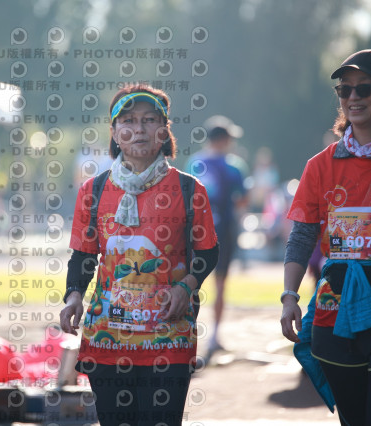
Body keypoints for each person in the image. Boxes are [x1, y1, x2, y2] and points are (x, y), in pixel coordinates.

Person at [59, 84, 219, 426]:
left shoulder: (189, 189)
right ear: (115, 132)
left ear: (164, 130)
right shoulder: (93, 190)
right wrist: (74, 296)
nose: (139, 129)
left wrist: (186, 286)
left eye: (149, 120)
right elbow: (84, 255)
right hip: (108, 338)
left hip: (168, 337)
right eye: (128, 121)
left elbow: (208, 252)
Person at [280, 49, 371, 425]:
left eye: (364, 88)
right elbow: (302, 237)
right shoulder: (320, 165)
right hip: (333, 317)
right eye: (345, 90)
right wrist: (290, 297)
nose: (353, 97)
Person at [185, 115, 249, 361]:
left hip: (194, 232)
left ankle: (188, 336)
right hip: (223, 232)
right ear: (224, 139)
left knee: (190, 283)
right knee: (220, 284)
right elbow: (242, 200)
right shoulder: (234, 166)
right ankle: (214, 337)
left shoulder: (194, 162)